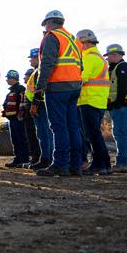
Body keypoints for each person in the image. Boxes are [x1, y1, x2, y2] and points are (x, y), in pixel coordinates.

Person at [33, 10, 83, 177]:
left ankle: (60, 164)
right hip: (74, 87)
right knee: (73, 127)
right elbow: (80, 65)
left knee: (59, 127)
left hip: (57, 87)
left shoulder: (51, 37)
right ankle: (76, 165)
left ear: (49, 23)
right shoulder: (74, 39)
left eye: (45, 24)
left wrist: (40, 86)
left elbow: (47, 62)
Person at [75, 30, 111, 175]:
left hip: (89, 100)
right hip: (97, 100)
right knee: (95, 134)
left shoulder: (89, 58)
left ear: (85, 43)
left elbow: (82, 78)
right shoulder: (99, 57)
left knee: (92, 135)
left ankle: (99, 165)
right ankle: (105, 165)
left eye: (79, 44)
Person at [105, 43, 127, 173]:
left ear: (115, 55)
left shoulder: (122, 67)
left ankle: (122, 163)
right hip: (124, 105)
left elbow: (123, 87)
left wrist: (117, 103)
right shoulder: (117, 67)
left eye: (108, 56)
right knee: (125, 133)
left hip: (123, 105)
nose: (107, 59)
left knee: (120, 133)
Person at [26, 48, 52, 170]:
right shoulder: (36, 72)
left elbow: (40, 90)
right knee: (42, 134)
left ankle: (47, 159)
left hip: (40, 107)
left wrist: (35, 104)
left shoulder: (40, 72)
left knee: (45, 134)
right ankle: (46, 158)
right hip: (39, 106)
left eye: (32, 58)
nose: (30, 60)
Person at [2, 70, 30, 167]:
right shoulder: (12, 91)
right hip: (12, 119)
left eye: (8, 78)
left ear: (13, 78)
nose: (6, 80)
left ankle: (24, 159)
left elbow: (22, 104)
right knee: (15, 140)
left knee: (21, 139)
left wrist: (20, 116)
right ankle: (18, 159)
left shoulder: (20, 89)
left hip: (18, 119)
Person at [22, 68, 41, 165]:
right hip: (29, 112)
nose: (23, 77)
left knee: (35, 136)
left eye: (25, 75)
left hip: (35, 109)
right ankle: (35, 158)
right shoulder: (27, 88)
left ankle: (37, 158)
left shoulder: (36, 75)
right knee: (31, 137)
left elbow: (36, 95)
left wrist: (34, 105)